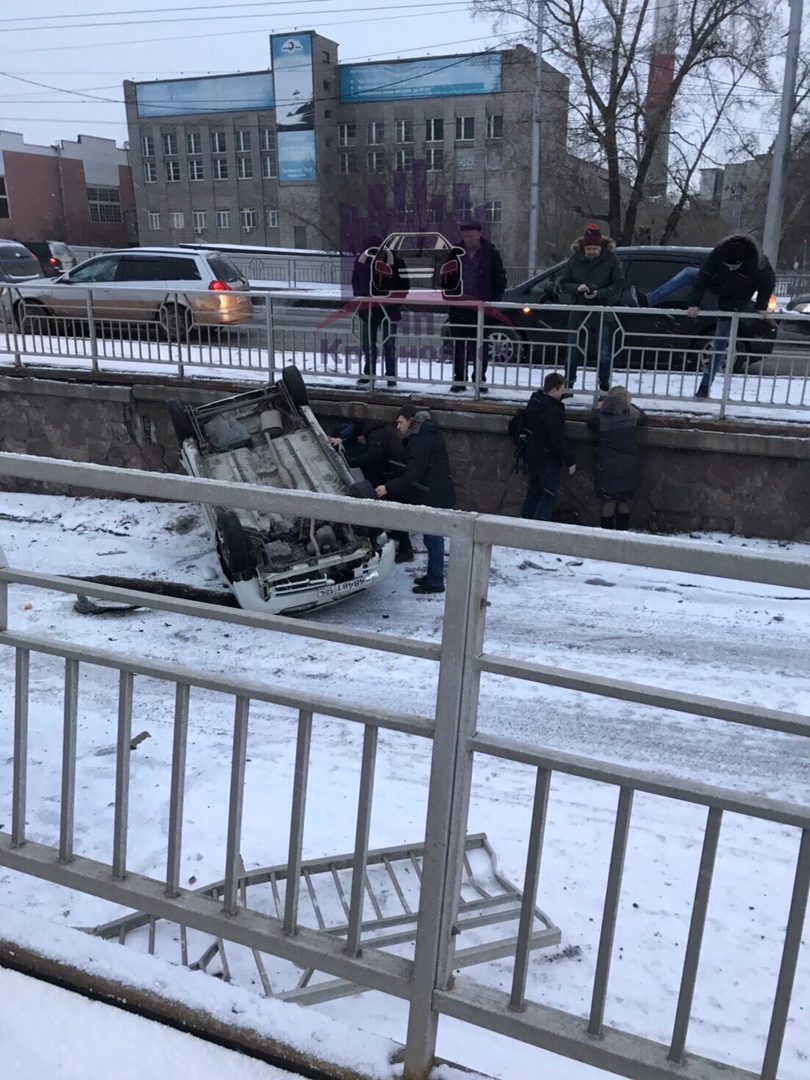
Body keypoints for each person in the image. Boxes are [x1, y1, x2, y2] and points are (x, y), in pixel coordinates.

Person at [375, 405, 455, 594]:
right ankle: (433, 576)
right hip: (436, 491)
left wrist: (389, 487)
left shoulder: (420, 439)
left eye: (401, 422)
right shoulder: (426, 434)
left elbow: (414, 473)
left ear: (411, 420)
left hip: (433, 494)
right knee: (432, 538)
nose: (398, 426)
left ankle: (435, 582)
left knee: (434, 539)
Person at [686, 234, 775, 399]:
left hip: (733, 304)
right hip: (720, 289)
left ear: (742, 262)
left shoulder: (758, 263)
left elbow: (768, 282)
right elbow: (703, 276)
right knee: (689, 273)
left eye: (734, 267)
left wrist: (761, 306)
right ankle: (650, 298)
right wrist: (694, 303)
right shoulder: (719, 252)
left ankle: (704, 386)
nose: (730, 269)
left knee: (720, 347)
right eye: (727, 266)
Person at [330, 417, 414, 562]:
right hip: (393, 475)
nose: (361, 442)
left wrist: (353, 462)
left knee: (395, 510)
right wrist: (342, 440)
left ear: (362, 434)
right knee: (393, 509)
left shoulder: (376, 437)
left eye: (359, 438)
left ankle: (406, 549)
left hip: (394, 478)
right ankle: (397, 533)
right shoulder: (378, 431)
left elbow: (372, 456)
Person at [557, 223, 624, 391]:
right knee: (572, 352)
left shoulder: (611, 260)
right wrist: (577, 288)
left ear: (600, 247)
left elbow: (618, 283)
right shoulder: (574, 260)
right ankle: (569, 385)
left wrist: (599, 293)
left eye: (595, 248)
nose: (591, 252)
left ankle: (603, 386)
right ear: (584, 247)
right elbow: (563, 283)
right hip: (578, 310)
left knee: (604, 353)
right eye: (589, 249)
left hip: (602, 311)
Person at [448, 220, 507, 393]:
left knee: (481, 346)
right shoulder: (455, 253)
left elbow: (500, 279)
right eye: (465, 236)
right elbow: (444, 274)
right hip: (459, 306)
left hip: (482, 307)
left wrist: (493, 300)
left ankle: (479, 378)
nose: (468, 239)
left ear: (479, 234)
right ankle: (459, 379)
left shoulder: (491, 254)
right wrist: (449, 294)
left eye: (471, 236)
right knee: (459, 345)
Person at [587, 385, 647, 530]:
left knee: (609, 501)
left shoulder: (602, 417)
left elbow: (591, 423)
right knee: (624, 500)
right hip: (628, 465)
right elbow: (644, 418)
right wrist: (628, 404)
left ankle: (607, 534)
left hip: (607, 464)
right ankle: (622, 532)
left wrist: (598, 408)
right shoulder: (631, 415)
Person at [521, 371, 576, 521]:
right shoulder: (553, 410)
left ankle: (523, 526)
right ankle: (539, 530)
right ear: (555, 389)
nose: (563, 392)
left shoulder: (535, 402)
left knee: (533, 493)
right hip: (547, 458)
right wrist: (570, 460)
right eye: (562, 389)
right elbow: (556, 439)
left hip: (533, 454)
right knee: (547, 496)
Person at [351, 235, 402, 388]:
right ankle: (369, 373)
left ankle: (391, 374)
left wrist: (393, 298)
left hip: (389, 309)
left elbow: (403, 284)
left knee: (390, 343)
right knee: (368, 343)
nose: (374, 254)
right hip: (369, 309)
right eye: (370, 251)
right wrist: (363, 294)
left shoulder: (395, 261)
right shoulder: (362, 262)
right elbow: (355, 281)